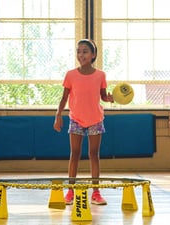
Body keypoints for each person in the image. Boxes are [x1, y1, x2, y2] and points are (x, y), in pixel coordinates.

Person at [54, 39, 114, 205]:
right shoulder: (71, 75)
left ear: (93, 54)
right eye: (78, 51)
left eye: (85, 51)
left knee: (94, 155)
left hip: (95, 119)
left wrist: (108, 98)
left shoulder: (100, 75)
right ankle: (70, 192)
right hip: (76, 119)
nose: (81, 55)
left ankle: (96, 192)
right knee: (74, 154)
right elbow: (64, 97)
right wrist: (58, 115)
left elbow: (102, 95)